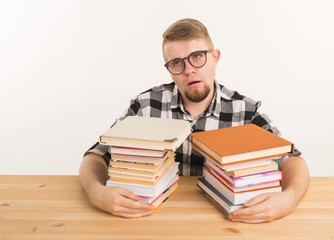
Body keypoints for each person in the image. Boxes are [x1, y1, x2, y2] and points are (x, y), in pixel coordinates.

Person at [79, 18, 309, 223]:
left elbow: (292, 160)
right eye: (177, 63)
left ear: (215, 57)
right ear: (169, 70)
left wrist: (288, 199)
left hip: (226, 220)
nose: (189, 70)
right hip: (154, 218)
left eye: (197, 57)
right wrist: (97, 193)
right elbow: (97, 156)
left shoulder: (245, 111)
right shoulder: (146, 106)